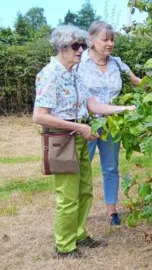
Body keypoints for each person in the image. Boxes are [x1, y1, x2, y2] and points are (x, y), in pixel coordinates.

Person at [32, 25, 136, 258]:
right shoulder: (50, 74)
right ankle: (65, 246)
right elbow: (39, 116)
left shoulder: (74, 74)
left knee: (85, 191)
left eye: (82, 45)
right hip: (62, 140)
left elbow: (94, 105)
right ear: (62, 47)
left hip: (79, 137)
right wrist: (79, 127)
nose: (81, 50)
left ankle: (79, 234)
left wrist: (127, 108)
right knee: (68, 197)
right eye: (76, 46)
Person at [77, 21, 141, 226]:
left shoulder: (117, 64)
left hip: (112, 123)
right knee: (80, 167)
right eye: (105, 39)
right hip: (85, 124)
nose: (110, 43)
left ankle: (112, 211)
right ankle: (77, 210)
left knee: (111, 167)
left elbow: (137, 81)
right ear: (91, 40)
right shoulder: (80, 64)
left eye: (112, 39)